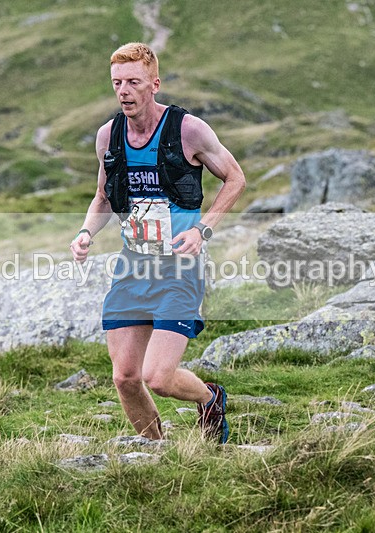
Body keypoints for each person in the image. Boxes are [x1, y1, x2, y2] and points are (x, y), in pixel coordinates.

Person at [70, 42, 245, 443]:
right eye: (117, 83)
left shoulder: (189, 131)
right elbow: (102, 198)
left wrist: (204, 229)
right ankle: (156, 453)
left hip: (179, 269)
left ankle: (209, 397)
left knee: (159, 377)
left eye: (133, 82)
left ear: (154, 83)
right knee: (126, 378)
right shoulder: (108, 137)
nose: (124, 91)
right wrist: (84, 233)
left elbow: (235, 178)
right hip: (133, 268)